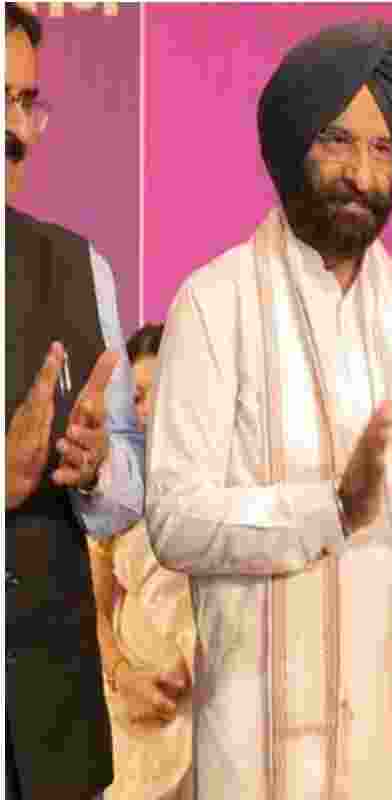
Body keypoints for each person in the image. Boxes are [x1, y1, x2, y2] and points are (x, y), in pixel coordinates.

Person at [145, 19, 392, 799]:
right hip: (263, 757)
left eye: (383, 151)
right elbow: (173, 519)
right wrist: (329, 511)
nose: (361, 174)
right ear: (290, 147)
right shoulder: (215, 304)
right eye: (338, 142)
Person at [6, 4, 145, 797]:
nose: (17, 129)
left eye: (27, 102)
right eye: (1, 99)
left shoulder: (79, 266)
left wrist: (94, 469)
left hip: (53, 732)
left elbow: (126, 488)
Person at [92, 323, 194, 800]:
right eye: (136, 398)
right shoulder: (111, 489)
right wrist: (122, 677)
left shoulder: (228, 479)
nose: (148, 410)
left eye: (160, 393)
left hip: (211, 711)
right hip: (136, 719)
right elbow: (88, 608)